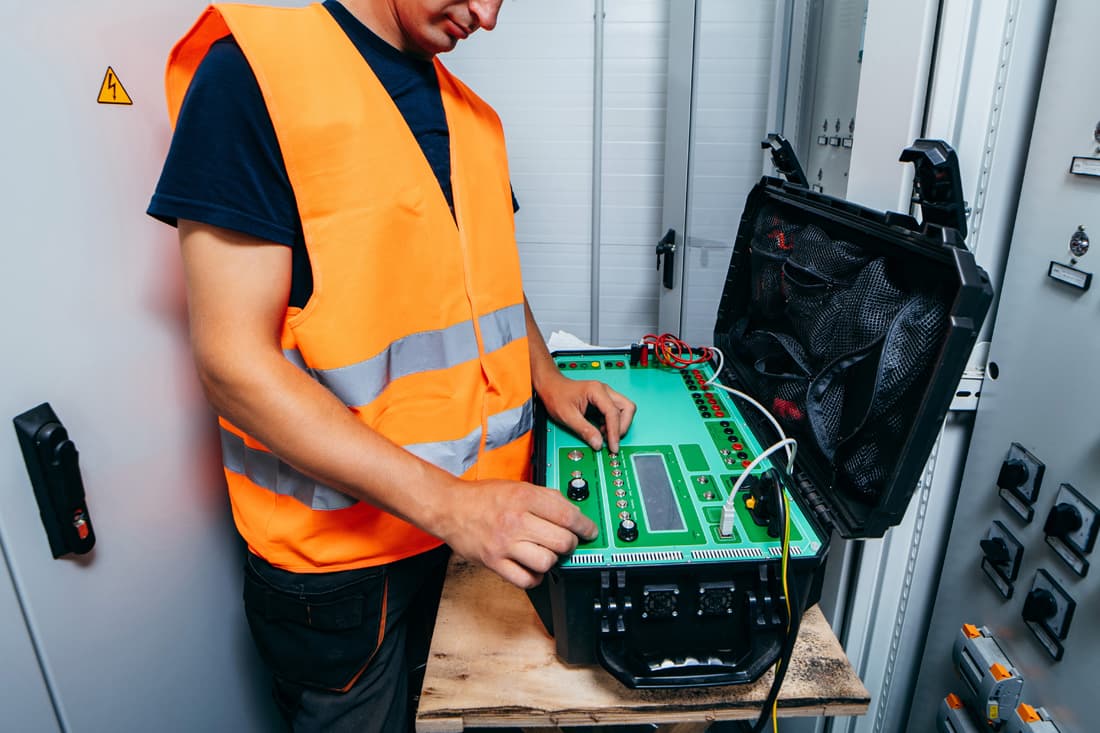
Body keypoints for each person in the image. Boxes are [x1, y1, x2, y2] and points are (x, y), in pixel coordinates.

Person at [147, 1, 636, 731]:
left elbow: (490, 280)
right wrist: (451, 505)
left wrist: (549, 377)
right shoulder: (251, 76)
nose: (488, 15)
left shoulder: (473, 119)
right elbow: (231, 364)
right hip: (341, 576)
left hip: (464, 537)